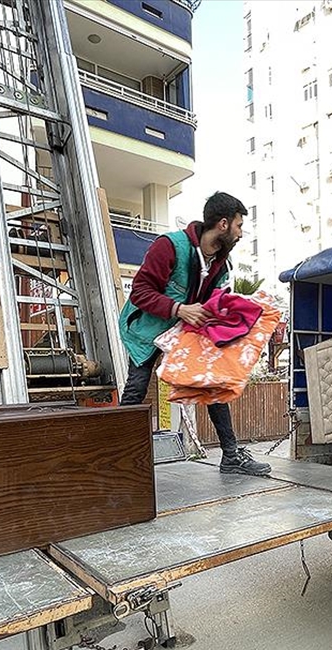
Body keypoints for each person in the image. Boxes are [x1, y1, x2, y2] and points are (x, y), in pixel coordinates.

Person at [118, 191, 271, 476]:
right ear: (223, 225)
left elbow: (214, 304)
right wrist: (178, 308)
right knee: (137, 388)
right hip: (146, 329)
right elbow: (139, 292)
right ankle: (116, 458)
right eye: (239, 226)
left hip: (185, 331)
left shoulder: (221, 264)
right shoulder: (170, 246)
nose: (241, 233)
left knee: (212, 383)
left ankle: (231, 456)